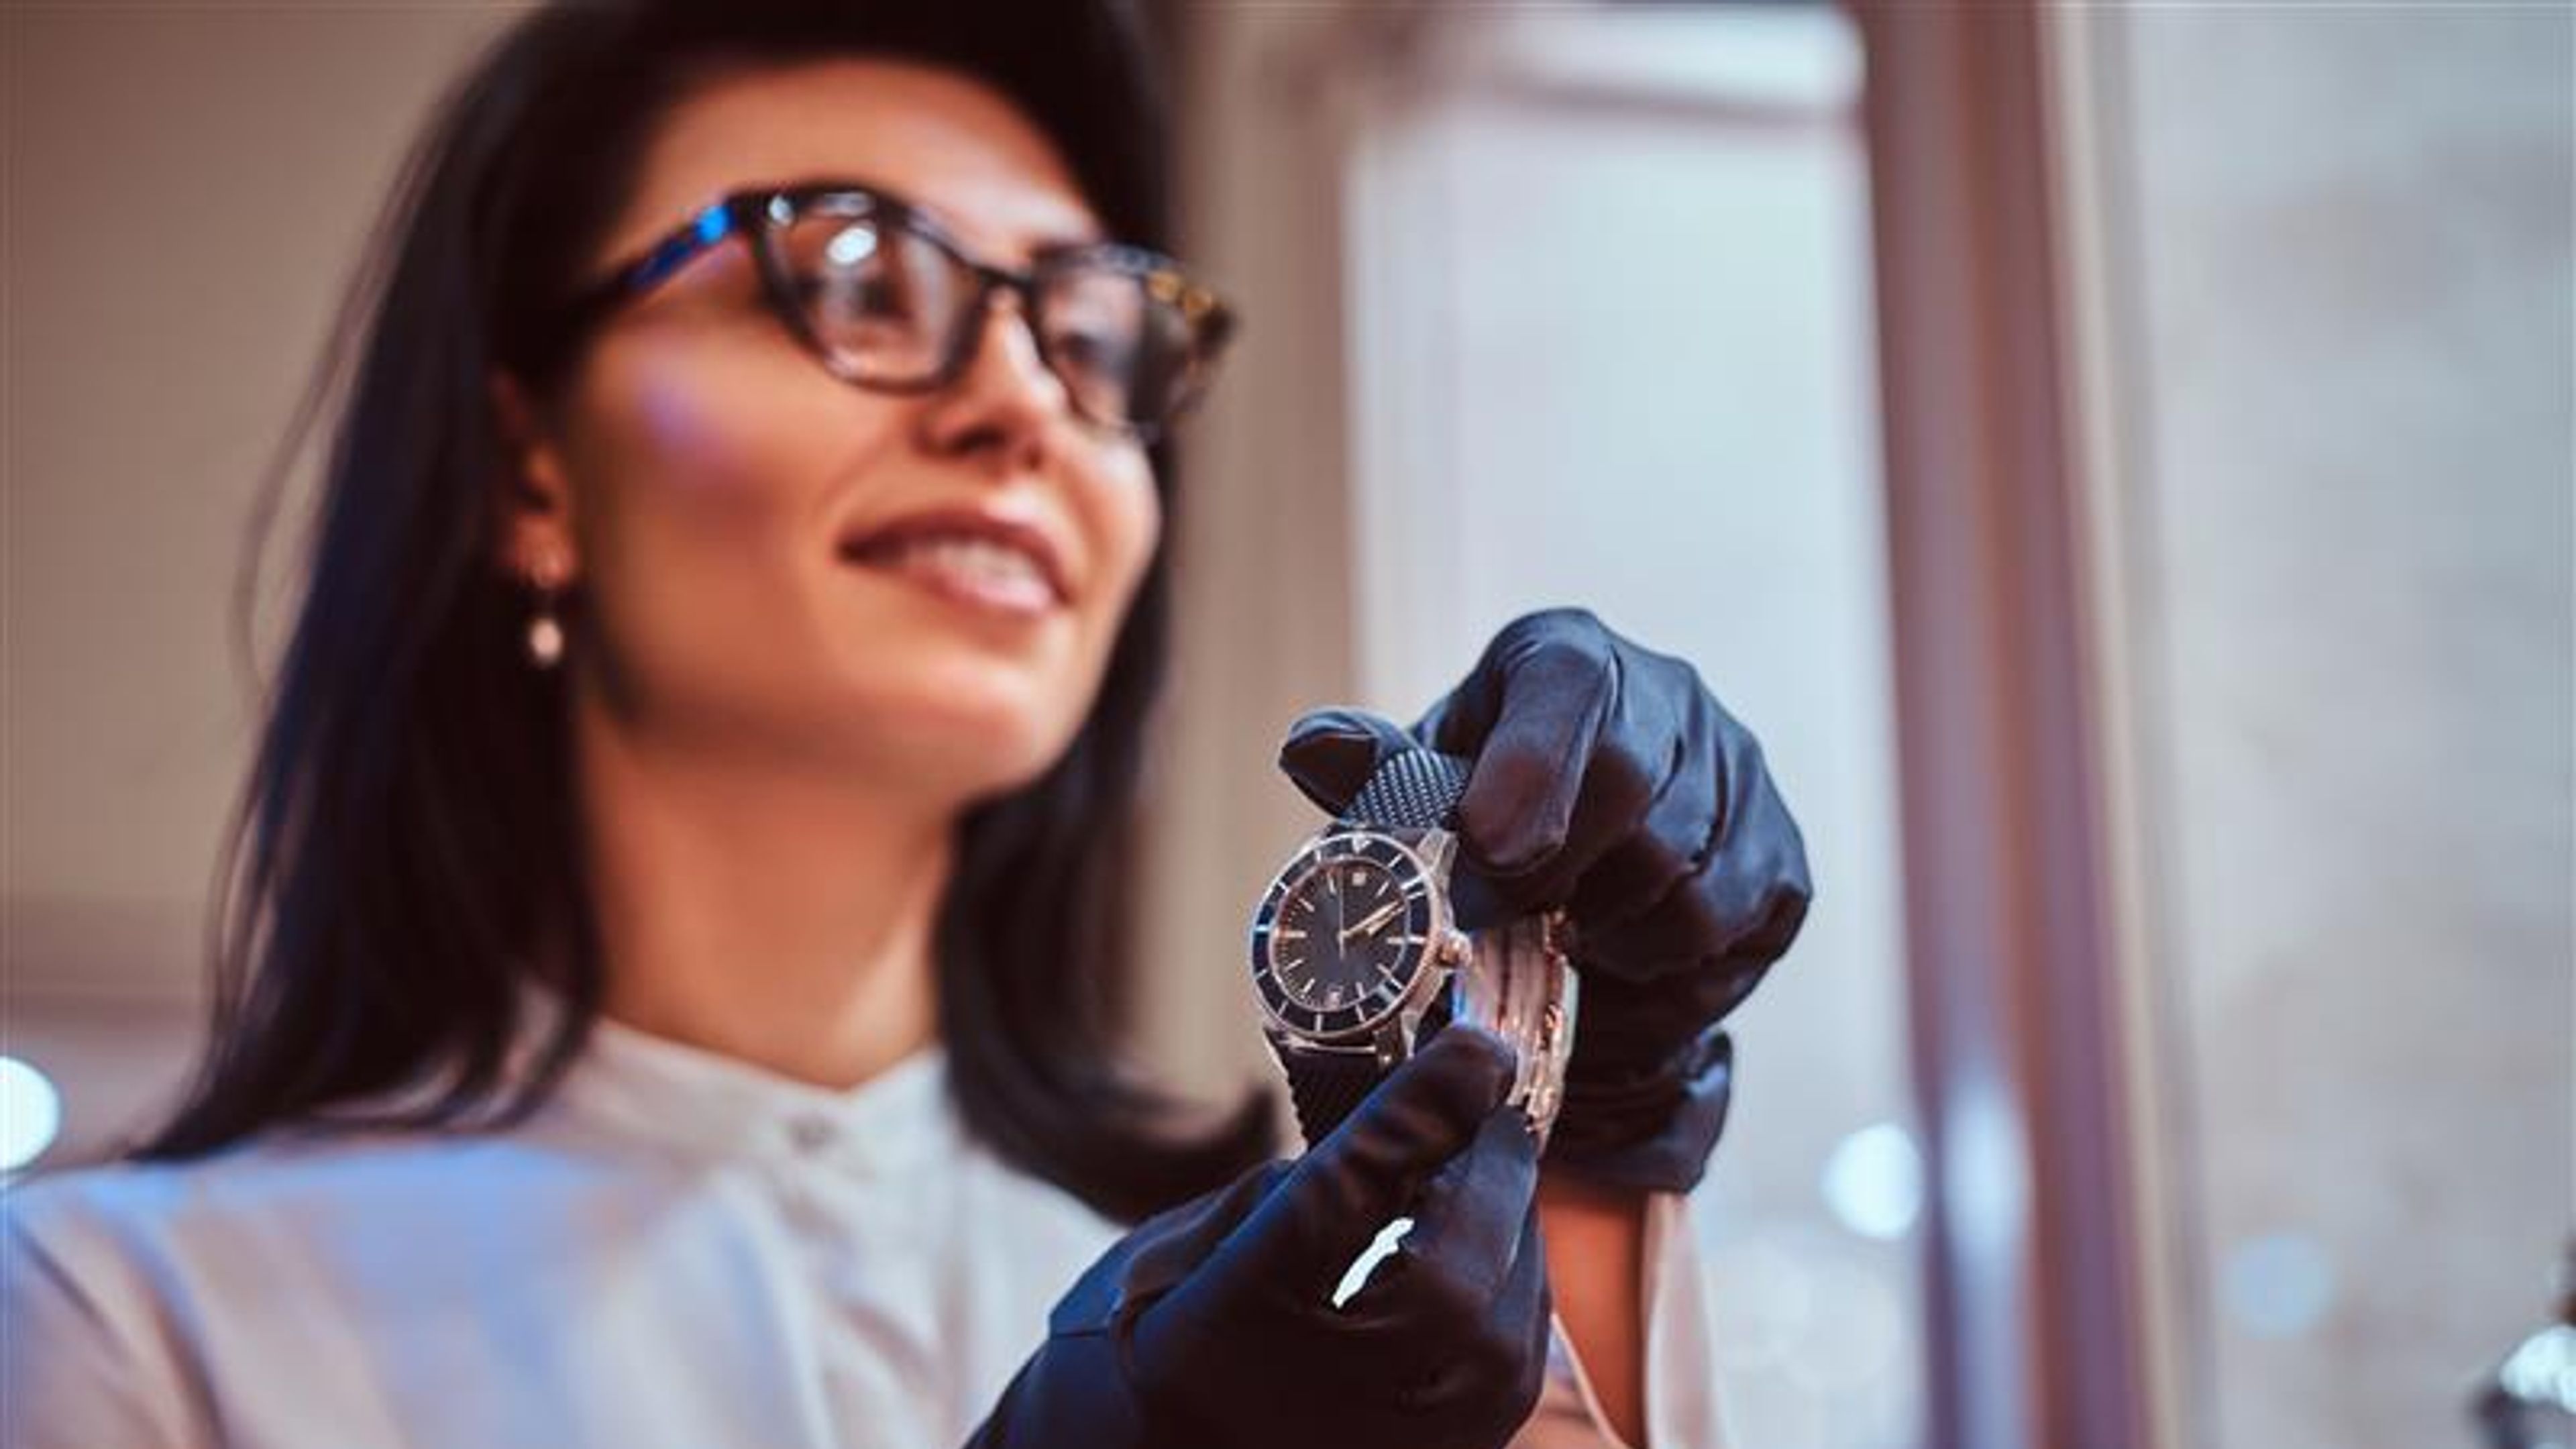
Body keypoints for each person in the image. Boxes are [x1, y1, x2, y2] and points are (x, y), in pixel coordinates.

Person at [0, 4, 1810, 1447]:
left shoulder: (1280, 1318)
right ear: (527, 469)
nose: (1026, 400)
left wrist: (1584, 1130)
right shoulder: (115, 1329)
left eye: (1091, 337)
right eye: (858, 276)